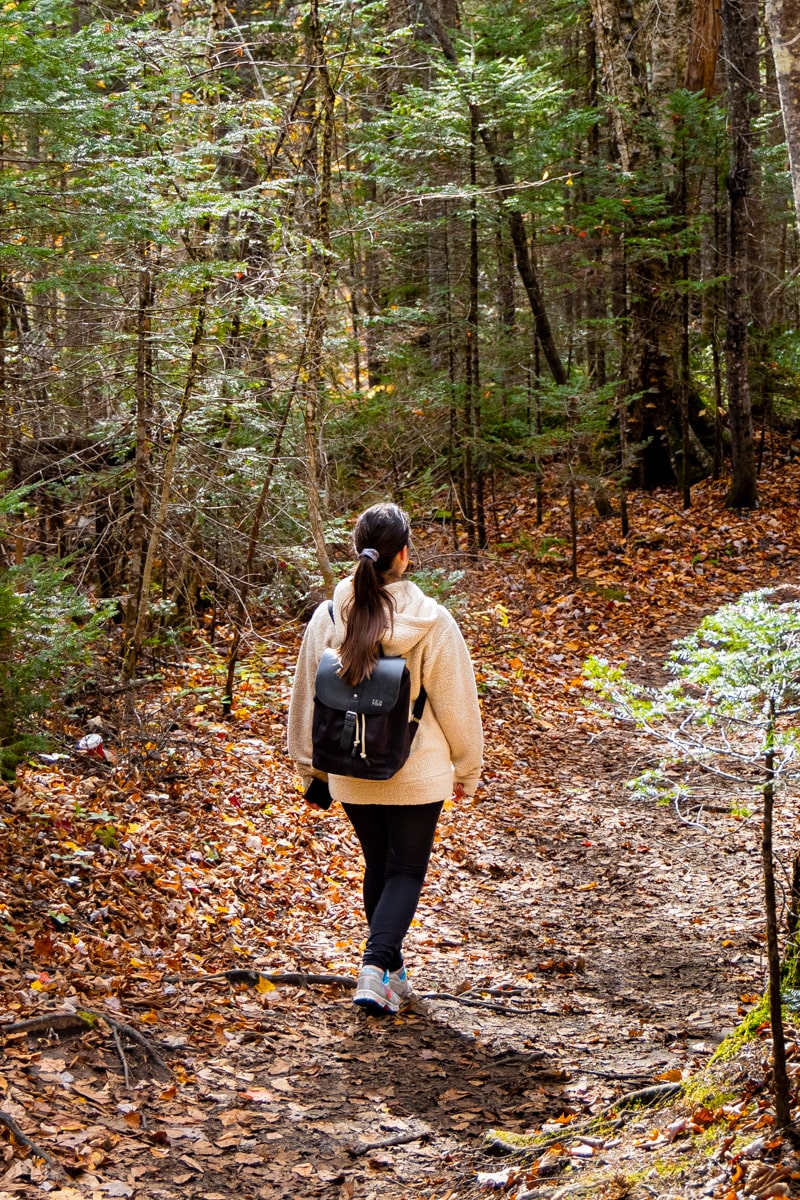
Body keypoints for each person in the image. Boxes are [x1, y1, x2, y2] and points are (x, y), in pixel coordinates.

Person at [287, 502, 483, 1015]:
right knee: (406, 869)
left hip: (349, 767)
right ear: (404, 555)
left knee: (380, 864)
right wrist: (468, 768)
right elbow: (457, 702)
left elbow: (306, 694)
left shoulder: (329, 616)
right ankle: (375, 968)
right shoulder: (431, 621)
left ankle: (391, 975)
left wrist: (310, 767)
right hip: (416, 770)